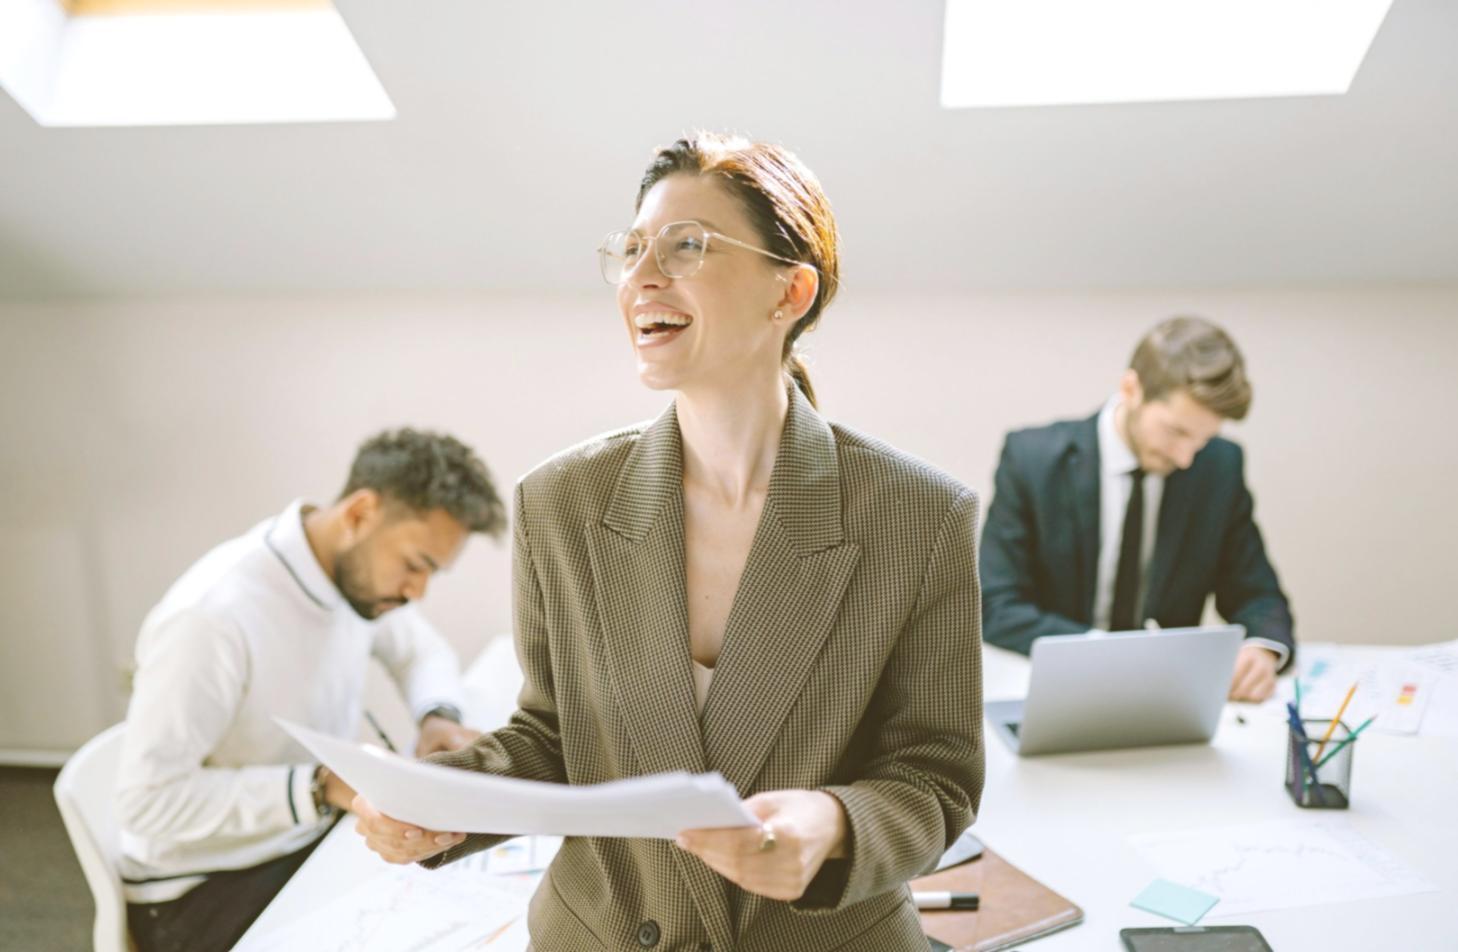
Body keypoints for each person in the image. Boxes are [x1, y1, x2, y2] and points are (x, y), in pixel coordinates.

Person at [354, 132, 983, 951]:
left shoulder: (920, 517)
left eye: (687, 246)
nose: (641, 276)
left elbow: (934, 776)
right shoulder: (560, 503)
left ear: (789, 292)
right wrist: (441, 801)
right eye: (632, 248)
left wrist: (831, 825)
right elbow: (555, 736)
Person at [116, 428, 507, 952]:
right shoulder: (212, 617)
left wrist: (436, 714)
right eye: (415, 565)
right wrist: (318, 788)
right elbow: (146, 803)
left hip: (305, 837)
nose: (417, 592)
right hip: (200, 888)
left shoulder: (352, 578)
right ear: (360, 514)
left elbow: (421, 651)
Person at [980, 316, 1294, 702]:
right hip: (1056, 686)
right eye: (1176, 431)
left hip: (1167, 700)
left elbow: (1257, 593)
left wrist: (1261, 649)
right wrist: (1105, 654)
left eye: (1203, 438)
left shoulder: (1218, 467)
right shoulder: (1032, 460)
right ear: (1131, 389)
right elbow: (996, 606)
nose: (1185, 457)